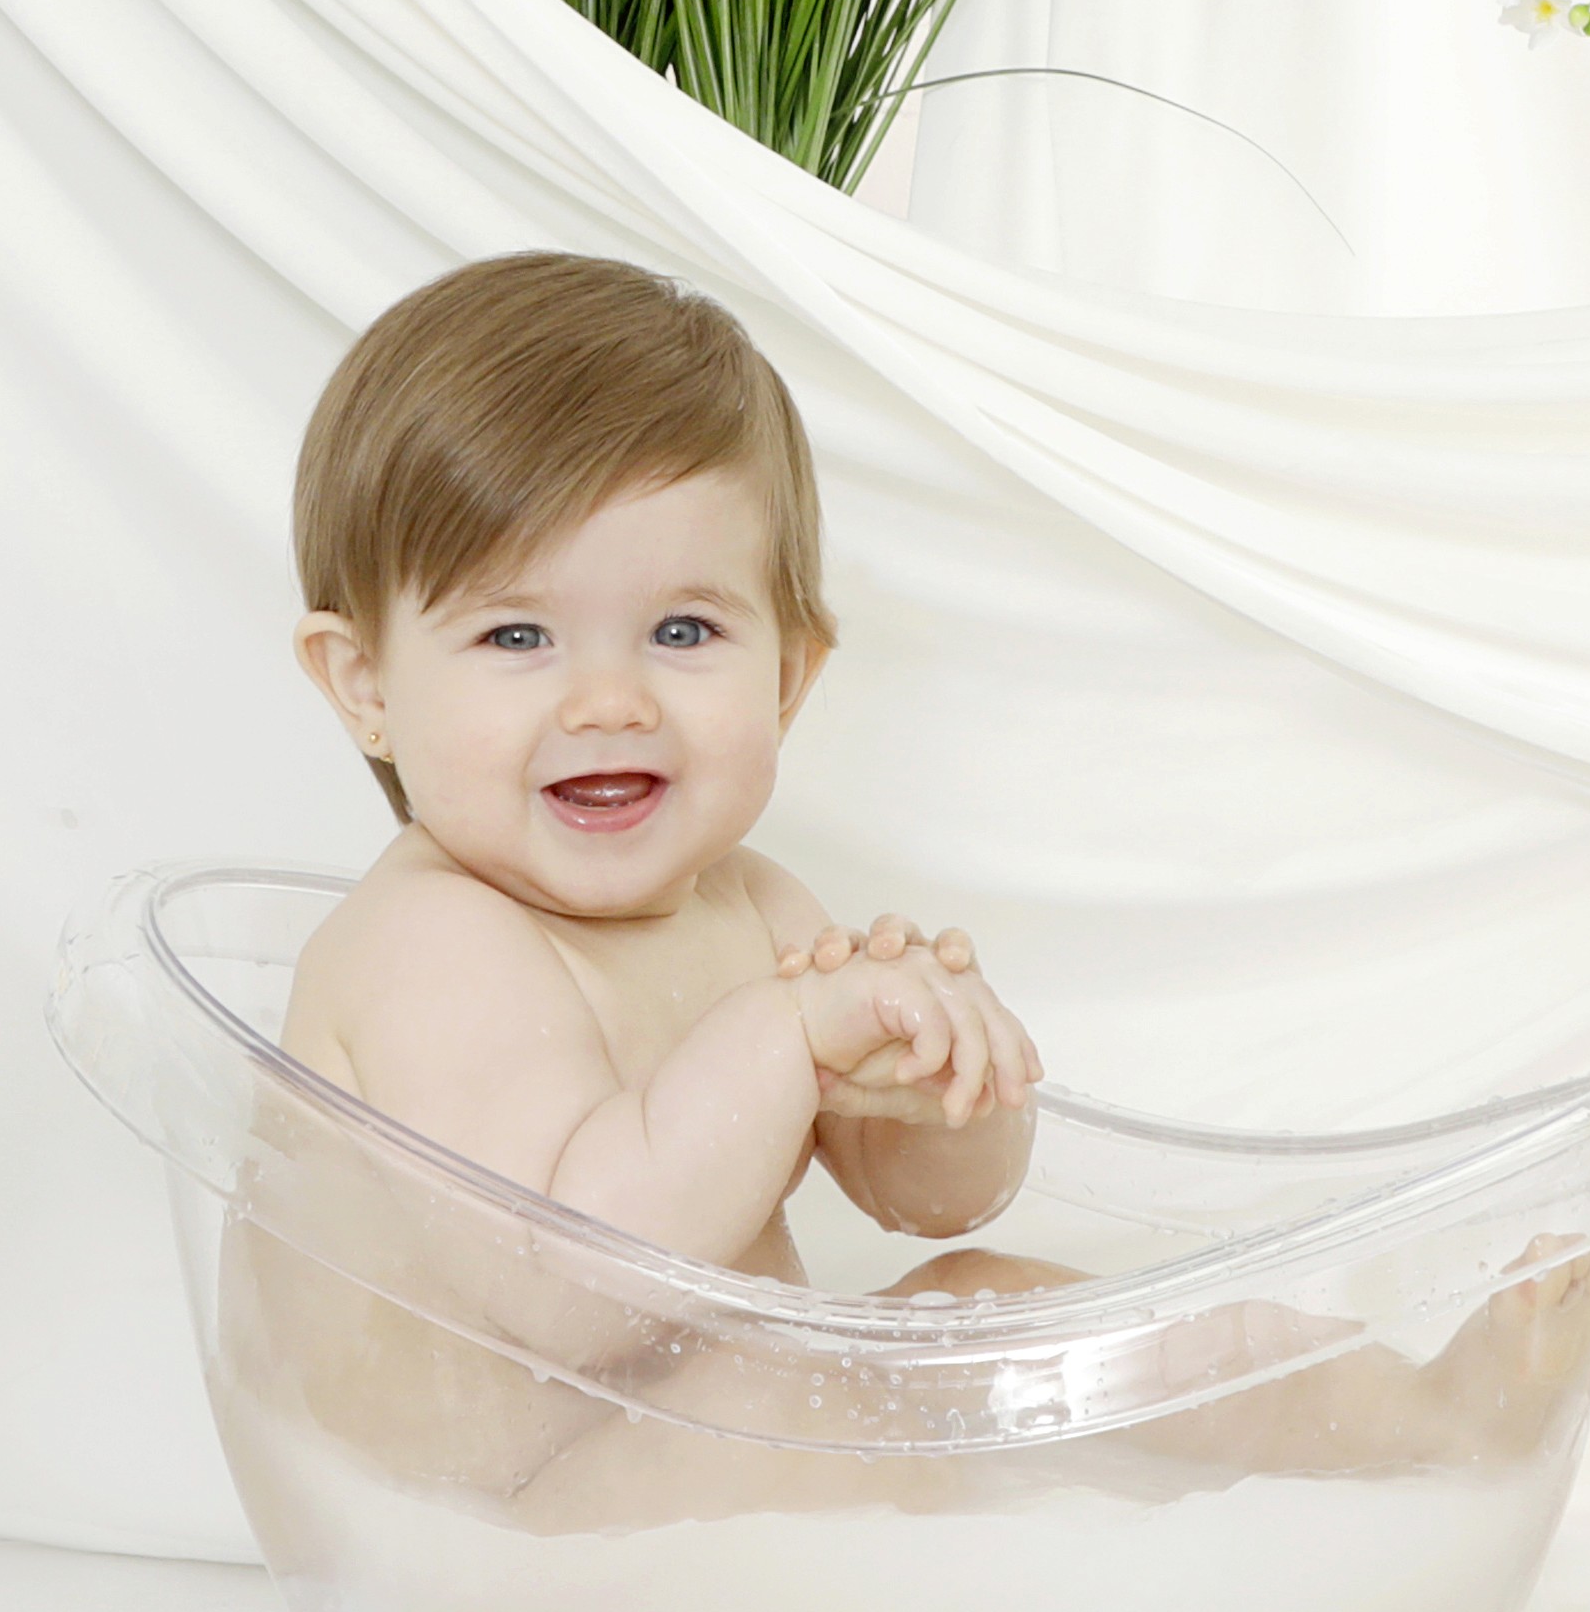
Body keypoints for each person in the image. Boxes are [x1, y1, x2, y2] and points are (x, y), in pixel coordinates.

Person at [277, 250, 1045, 1284]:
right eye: (516, 637)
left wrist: (947, 1069)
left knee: (984, 1291)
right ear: (367, 684)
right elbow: (576, 1291)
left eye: (681, 630)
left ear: (785, 677)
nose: (610, 702)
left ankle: (1310, 1378)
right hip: (492, 1450)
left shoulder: (759, 910)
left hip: (696, 1423)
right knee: (770, 1398)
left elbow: (930, 1203)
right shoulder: (431, 941)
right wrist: (786, 1036)